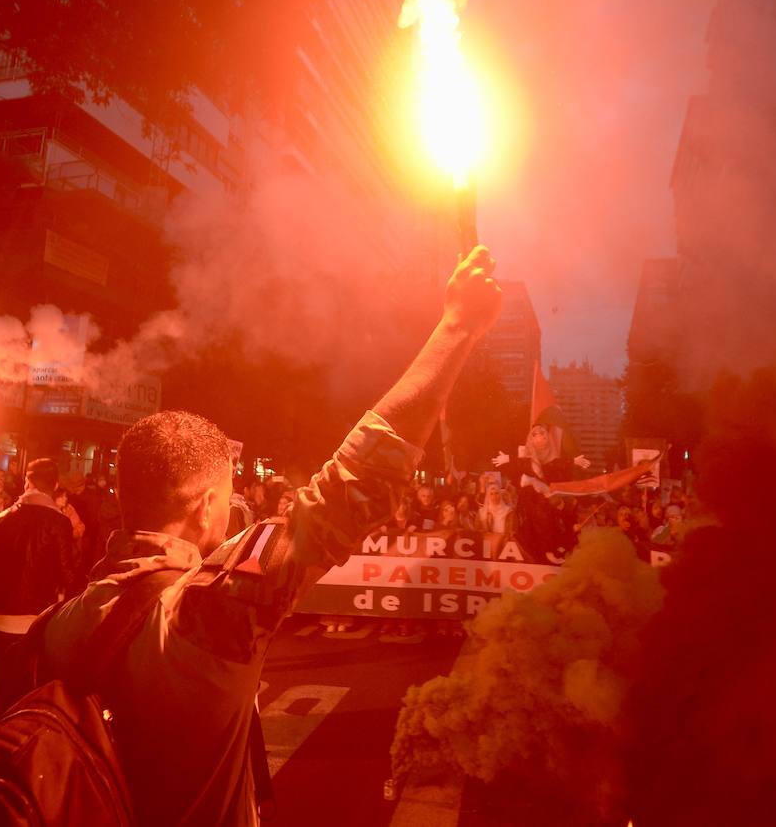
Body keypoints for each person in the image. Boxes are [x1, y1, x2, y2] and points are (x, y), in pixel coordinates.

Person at [34, 246, 502, 825]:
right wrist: (457, 327)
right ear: (206, 506)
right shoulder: (203, 616)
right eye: (228, 498)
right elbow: (351, 490)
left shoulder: (57, 626)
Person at [0, 458, 74, 712]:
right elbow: (67, 574)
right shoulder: (58, 522)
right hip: (33, 616)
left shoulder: (1, 518)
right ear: (55, 485)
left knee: (1, 678)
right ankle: (11, 740)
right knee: (24, 687)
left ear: (27, 482)